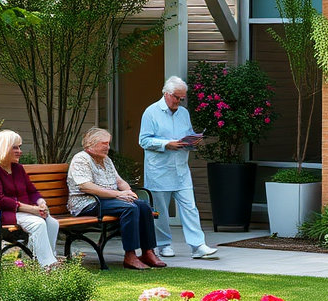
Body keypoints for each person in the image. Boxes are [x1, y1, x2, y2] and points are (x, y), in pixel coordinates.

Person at [139, 76, 217, 260]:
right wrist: (167, 144)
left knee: (190, 207)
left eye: (182, 98)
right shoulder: (151, 112)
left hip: (181, 170)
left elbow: (187, 134)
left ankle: (198, 246)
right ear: (166, 94)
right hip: (159, 170)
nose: (179, 101)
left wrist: (193, 140)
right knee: (161, 211)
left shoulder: (184, 113)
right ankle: (163, 245)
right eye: (176, 97)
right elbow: (144, 140)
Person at [67, 128, 166, 271]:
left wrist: (128, 192)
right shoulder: (81, 159)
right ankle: (130, 255)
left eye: (108, 143)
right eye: (104, 143)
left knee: (143, 206)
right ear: (91, 144)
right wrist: (118, 195)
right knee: (129, 208)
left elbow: (119, 182)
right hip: (87, 203)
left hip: (109, 200)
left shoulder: (106, 160)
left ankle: (148, 252)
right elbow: (86, 187)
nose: (108, 147)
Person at [0, 130, 60, 269]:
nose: (19, 151)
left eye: (20, 147)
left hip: (22, 210)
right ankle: (48, 266)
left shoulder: (18, 168)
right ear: (3, 147)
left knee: (52, 223)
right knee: (38, 223)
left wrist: (41, 203)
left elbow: (32, 190)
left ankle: (40, 260)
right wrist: (32, 210)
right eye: (15, 147)